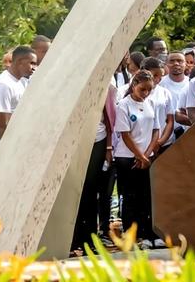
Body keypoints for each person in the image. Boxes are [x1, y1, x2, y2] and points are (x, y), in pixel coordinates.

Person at [114, 70, 162, 249]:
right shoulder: (124, 106)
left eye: (149, 90)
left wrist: (147, 153)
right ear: (134, 86)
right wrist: (139, 155)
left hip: (146, 156)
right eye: (142, 89)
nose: (146, 93)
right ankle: (130, 233)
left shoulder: (150, 102)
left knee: (146, 196)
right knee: (130, 197)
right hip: (127, 157)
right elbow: (125, 134)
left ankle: (147, 233)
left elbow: (156, 129)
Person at [71, 85, 116, 253]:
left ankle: (90, 238)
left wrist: (108, 149)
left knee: (90, 191)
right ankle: (76, 239)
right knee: (77, 191)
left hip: (98, 141)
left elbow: (110, 120)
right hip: (75, 143)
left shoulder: (107, 88)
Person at [0, 46, 37, 159]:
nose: (34, 68)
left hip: (17, 149)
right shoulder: (4, 85)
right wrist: (7, 155)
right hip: (3, 154)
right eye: (32, 63)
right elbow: (3, 126)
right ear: (20, 62)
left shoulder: (21, 81)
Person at [137, 57, 175, 155]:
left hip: (162, 144)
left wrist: (160, 142)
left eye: (161, 76)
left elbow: (170, 121)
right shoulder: (127, 92)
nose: (158, 79)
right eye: (155, 75)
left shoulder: (165, 93)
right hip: (138, 145)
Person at [159, 52, 190, 140]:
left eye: (180, 61)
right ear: (166, 64)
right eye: (172, 61)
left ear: (185, 64)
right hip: (165, 135)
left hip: (188, 132)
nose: (176, 63)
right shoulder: (160, 84)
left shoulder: (193, 83)